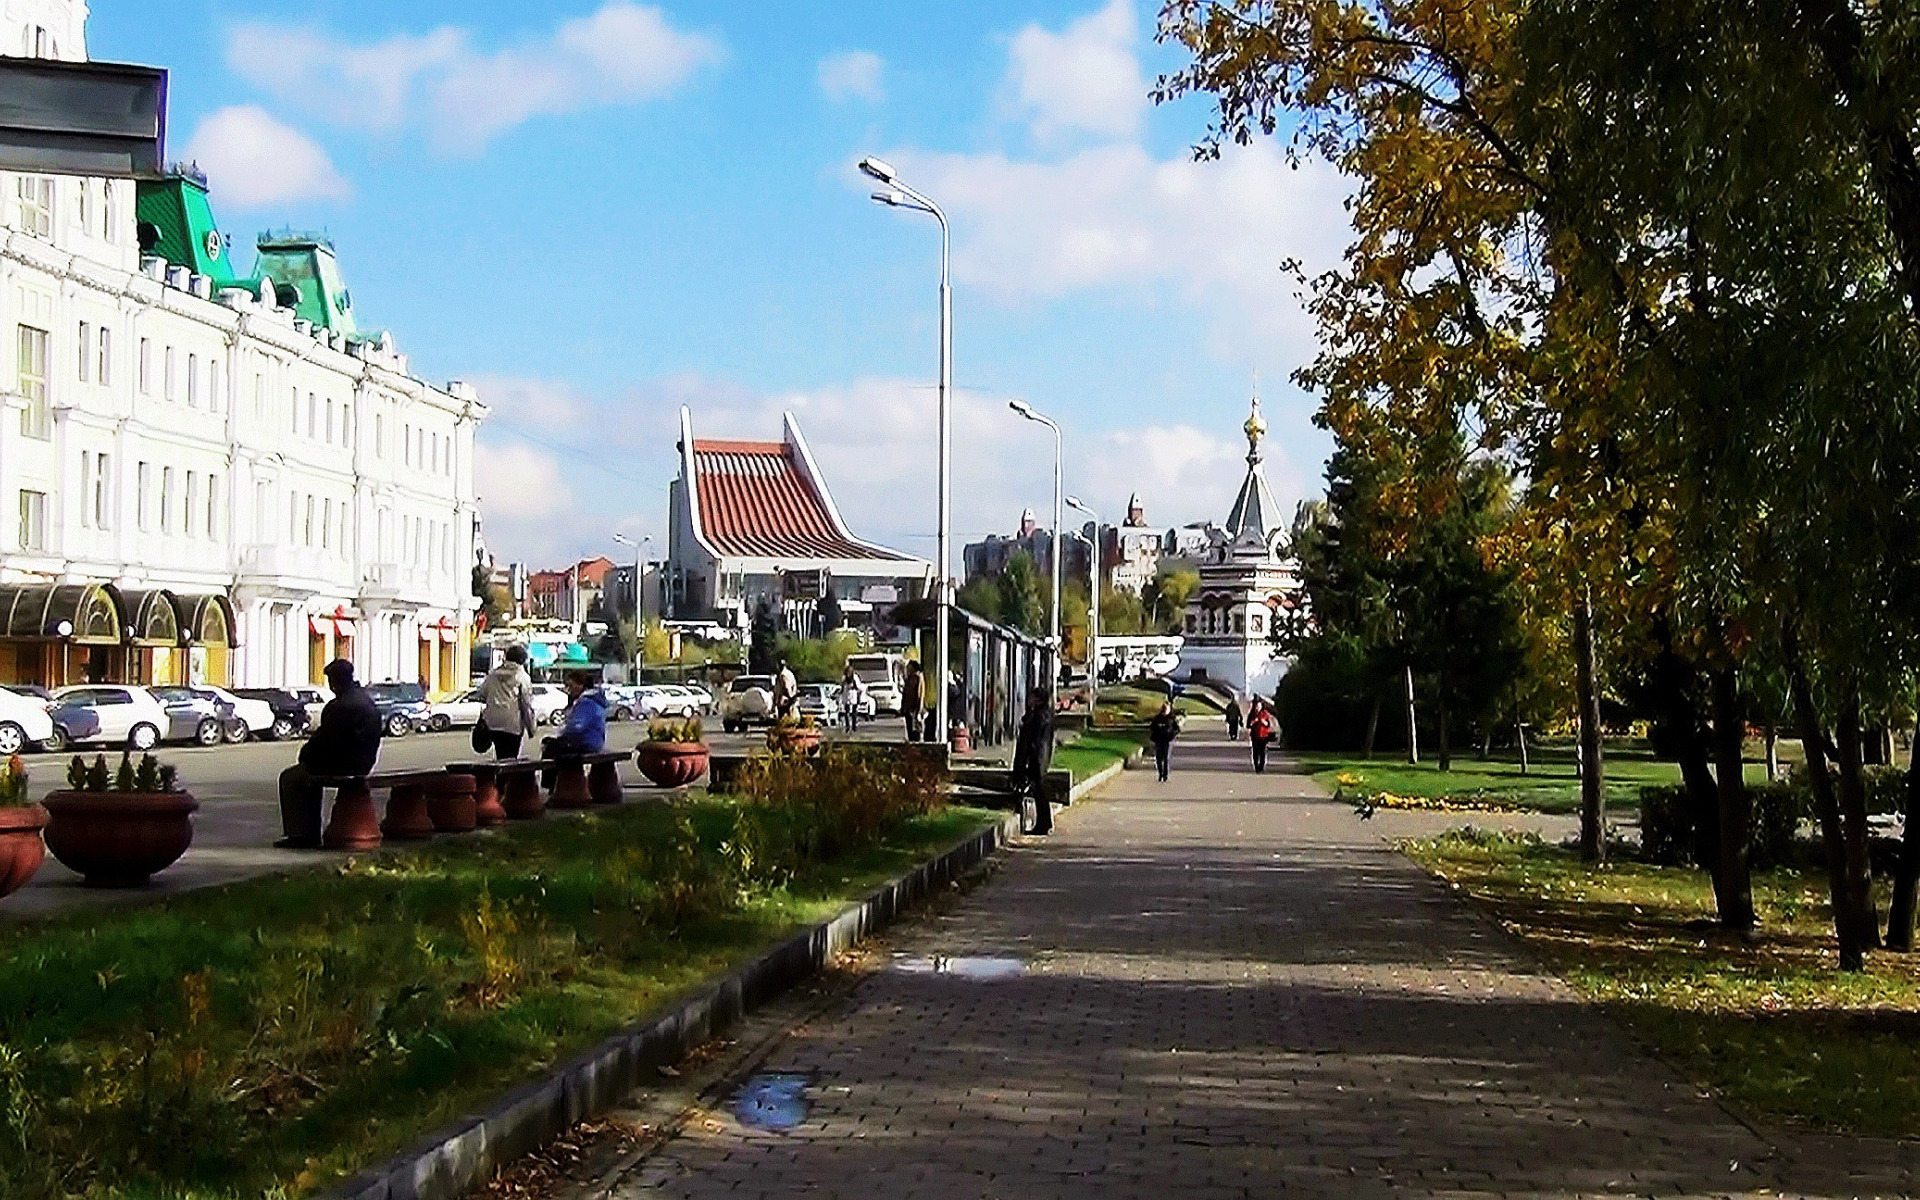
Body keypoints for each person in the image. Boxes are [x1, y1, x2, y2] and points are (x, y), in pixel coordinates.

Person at [276, 659, 382, 849]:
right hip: (363, 762)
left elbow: (324, 741)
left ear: (335, 681)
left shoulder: (340, 706)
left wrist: (305, 755)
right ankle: (307, 833)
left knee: (291, 778)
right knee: (308, 774)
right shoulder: (365, 700)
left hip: (342, 764)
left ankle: (302, 834)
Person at [540, 671, 608, 786]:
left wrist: (564, 732)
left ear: (581, 685)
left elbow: (577, 727)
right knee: (554, 745)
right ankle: (554, 784)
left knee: (551, 748)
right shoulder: (591, 700)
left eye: (571, 686)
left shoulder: (586, 702)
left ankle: (552, 785)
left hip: (585, 742)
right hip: (592, 740)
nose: (569, 689)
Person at [477, 644, 538, 759]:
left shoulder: (493, 675)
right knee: (511, 757)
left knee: (500, 754)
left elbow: (482, 694)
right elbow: (526, 704)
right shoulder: (523, 677)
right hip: (512, 724)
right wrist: (531, 728)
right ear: (522, 660)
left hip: (493, 723)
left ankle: (500, 775)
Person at [1011, 686, 1054, 834]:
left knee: (1039, 792)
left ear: (1038, 700)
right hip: (1039, 758)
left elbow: (1033, 740)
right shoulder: (1041, 715)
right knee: (1039, 792)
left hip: (1036, 759)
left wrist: (1029, 760)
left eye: (1032, 698)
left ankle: (1043, 824)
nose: (1029, 700)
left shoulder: (1039, 717)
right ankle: (1044, 823)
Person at [1148, 702, 1181, 782]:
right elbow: (1152, 727)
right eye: (1164, 709)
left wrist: (1172, 735)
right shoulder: (1157, 718)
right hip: (1158, 740)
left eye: (1166, 709)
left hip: (1167, 740)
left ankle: (1165, 774)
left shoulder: (1172, 719)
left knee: (1166, 758)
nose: (1165, 711)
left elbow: (1177, 729)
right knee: (1159, 758)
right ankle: (1160, 773)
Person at [1247, 698, 1277, 774]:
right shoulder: (1252, 714)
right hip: (1255, 735)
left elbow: (1268, 724)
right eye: (1257, 706)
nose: (1257, 708)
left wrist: (1263, 722)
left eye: (1259, 706)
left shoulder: (1265, 714)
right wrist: (1254, 721)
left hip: (1263, 736)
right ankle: (1256, 766)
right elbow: (1248, 724)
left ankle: (1261, 766)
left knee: (1262, 752)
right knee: (1255, 752)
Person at [901, 660, 925, 743]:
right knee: (909, 727)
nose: (908, 669)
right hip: (908, 708)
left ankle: (915, 741)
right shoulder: (909, 678)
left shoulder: (917, 677)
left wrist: (918, 709)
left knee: (914, 728)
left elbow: (919, 694)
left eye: (909, 667)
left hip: (914, 708)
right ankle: (911, 741)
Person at [840, 665, 864, 734]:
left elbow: (859, 687)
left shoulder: (855, 677)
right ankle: (847, 726)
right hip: (846, 695)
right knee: (846, 712)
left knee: (854, 712)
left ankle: (854, 726)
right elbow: (842, 686)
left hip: (853, 695)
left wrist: (855, 689)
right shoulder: (844, 678)